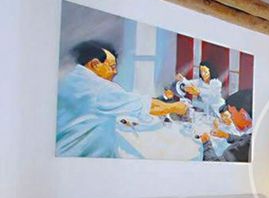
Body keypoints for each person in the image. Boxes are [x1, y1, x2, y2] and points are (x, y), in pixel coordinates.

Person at [56, 40, 188, 158]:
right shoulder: (99, 89)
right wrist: (176, 107)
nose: (115, 72)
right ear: (95, 64)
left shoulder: (72, 78)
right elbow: (149, 106)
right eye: (112, 67)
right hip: (85, 157)